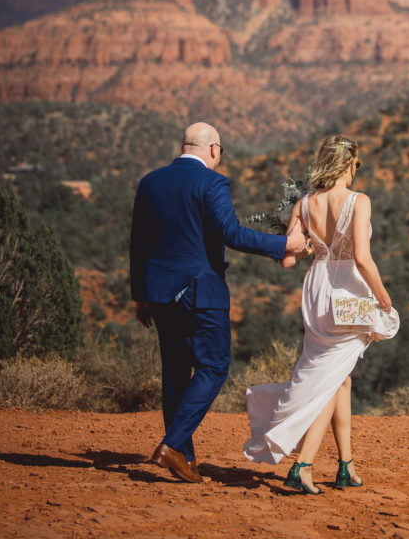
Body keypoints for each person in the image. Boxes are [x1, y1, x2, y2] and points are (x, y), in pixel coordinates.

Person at [130, 121, 308, 483]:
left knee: (175, 373)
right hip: (201, 290)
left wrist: (141, 296)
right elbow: (232, 234)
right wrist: (284, 247)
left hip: (160, 293)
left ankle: (185, 457)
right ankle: (173, 447)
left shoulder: (149, 182)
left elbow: (138, 242)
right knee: (213, 367)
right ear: (214, 149)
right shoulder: (213, 182)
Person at [243, 134, 395, 494]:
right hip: (348, 292)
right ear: (347, 163)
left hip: (316, 290)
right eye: (357, 165)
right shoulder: (359, 202)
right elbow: (362, 258)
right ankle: (303, 465)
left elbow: (287, 260)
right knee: (331, 378)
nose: (357, 171)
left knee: (338, 376)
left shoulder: (305, 202)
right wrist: (384, 299)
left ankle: (345, 465)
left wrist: (308, 242)